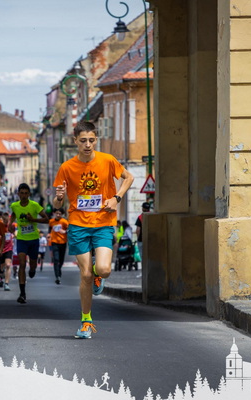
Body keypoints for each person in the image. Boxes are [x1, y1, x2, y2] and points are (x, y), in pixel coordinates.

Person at [53, 120, 134, 339]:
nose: (87, 144)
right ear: (75, 141)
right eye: (83, 141)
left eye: (91, 140)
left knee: (104, 269)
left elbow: (129, 177)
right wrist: (59, 197)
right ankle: (86, 322)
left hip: (103, 223)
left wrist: (116, 198)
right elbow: (57, 204)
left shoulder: (107, 160)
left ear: (96, 139)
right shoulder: (67, 167)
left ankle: (100, 275)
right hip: (78, 224)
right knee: (85, 274)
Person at [9, 183, 49, 304]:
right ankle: (22, 293)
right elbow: (13, 215)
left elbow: (46, 219)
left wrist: (33, 219)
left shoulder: (35, 205)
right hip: (21, 239)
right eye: (22, 193)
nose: (24, 195)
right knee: (21, 264)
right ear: (18, 194)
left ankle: (32, 269)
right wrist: (10, 224)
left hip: (33, 239)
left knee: (32, 266)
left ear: (29, 194)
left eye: (26, 193)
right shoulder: (14, 205)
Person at [48, 208, 69, 284]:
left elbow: (70, 229)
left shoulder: (64, 222)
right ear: (54, 214)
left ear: (62, 214)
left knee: (61, 260)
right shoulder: (51, 221)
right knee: (56, 259)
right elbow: (50, 228)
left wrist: (65, 231)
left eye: (59, 214)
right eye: (56, 213)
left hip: (63, 242)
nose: (58, 215)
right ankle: (57, 276)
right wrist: (49, 234)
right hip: (54, 242)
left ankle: (59, 270)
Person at [0, 211, 14, 291]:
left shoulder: (10, 226)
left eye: (7, 221)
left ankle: (6, 283)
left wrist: (15, 234)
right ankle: (1, 278)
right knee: (1, 267)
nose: (6, 222)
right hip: (0, 249)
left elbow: (15, 231)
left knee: (8, 265)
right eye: (4, 221)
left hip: (9, 248)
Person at [135, 202, 151, 269]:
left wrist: (138, 238)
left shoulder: (140, 217)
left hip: (141, 239)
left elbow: (138, 230)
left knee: (142, 256)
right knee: (150, 256)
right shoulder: (152, 216)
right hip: (150, 239)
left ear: (143, 208)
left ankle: (144, 270)